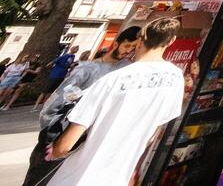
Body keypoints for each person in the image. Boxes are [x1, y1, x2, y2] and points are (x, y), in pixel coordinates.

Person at [45, 16, 184, 186]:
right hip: (119, 176)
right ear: (172, 41)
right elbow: (154, 132)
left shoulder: (113, 79)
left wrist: (57, 148)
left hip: (80, 176)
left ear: (140, 40)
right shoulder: (176, 77)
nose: (129, 51)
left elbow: (64, 146)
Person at [25, 27, 143, 186]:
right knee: (39, 180)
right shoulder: (87, 69)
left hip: (87, 141)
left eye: (134, 48)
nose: (129, 51)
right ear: (116, 44)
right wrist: (52, 135)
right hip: (61, 136)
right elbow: (59, 100)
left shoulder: (127, 71)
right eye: (127, 46)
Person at [35, 46, 77, 111]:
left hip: (62, 75)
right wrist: (46, 66)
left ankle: (44, 106)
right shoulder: (65, 55)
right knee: (45, 91)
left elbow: (69, 65)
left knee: (51, 92)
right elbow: (55, 61)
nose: (76, 50)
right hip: (55, 74)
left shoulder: (73, 57)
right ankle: (35, 106)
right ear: (72, 49)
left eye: (77, 49)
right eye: (75, 49)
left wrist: (71, 67)